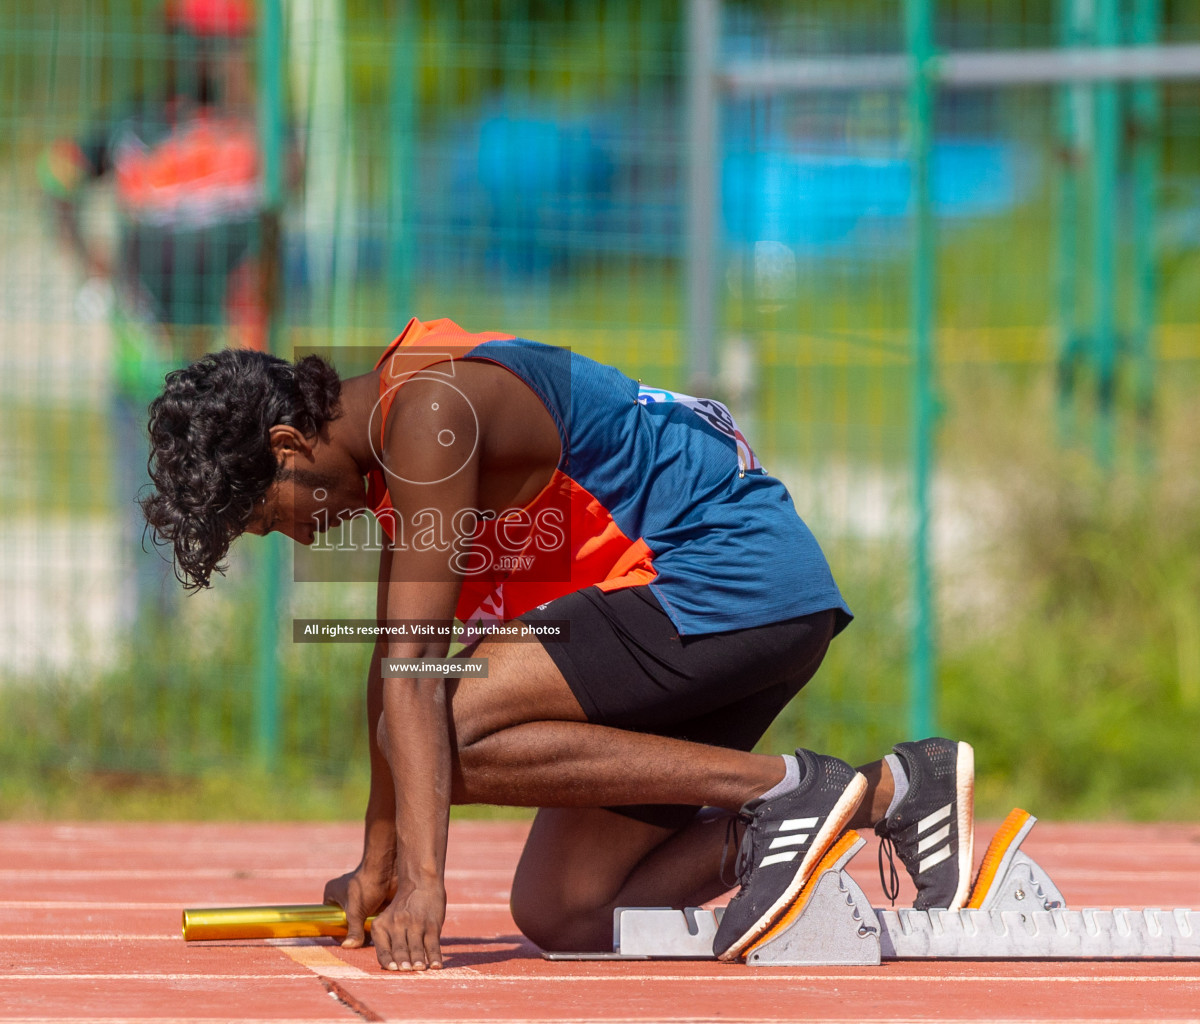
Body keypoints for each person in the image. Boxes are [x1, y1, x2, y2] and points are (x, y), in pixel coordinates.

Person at [140, 316, 977, 969]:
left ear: (287, 449)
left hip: (729, 583)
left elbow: (415, 683)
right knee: (567, 912)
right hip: (715, 617)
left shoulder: (429, 414)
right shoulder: (394, 457)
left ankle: (785, 788)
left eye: (267, 518)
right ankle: (889, 793)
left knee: (434, 726)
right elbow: (394, 657)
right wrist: (378, 862)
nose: (294, 539)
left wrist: (427, 883)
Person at [40, 0, 265, 628]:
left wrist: (245, 94)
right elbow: (54, 177)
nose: (207, 57)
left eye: (224, 43)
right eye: (194, 41)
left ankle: (260, 659)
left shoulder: (261, 135)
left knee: (258, 523)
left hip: (240, 376)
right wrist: (92, 262)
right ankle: (152, 660)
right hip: (149, 371)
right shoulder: (132, 128)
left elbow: (292, 182)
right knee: (152, 526)